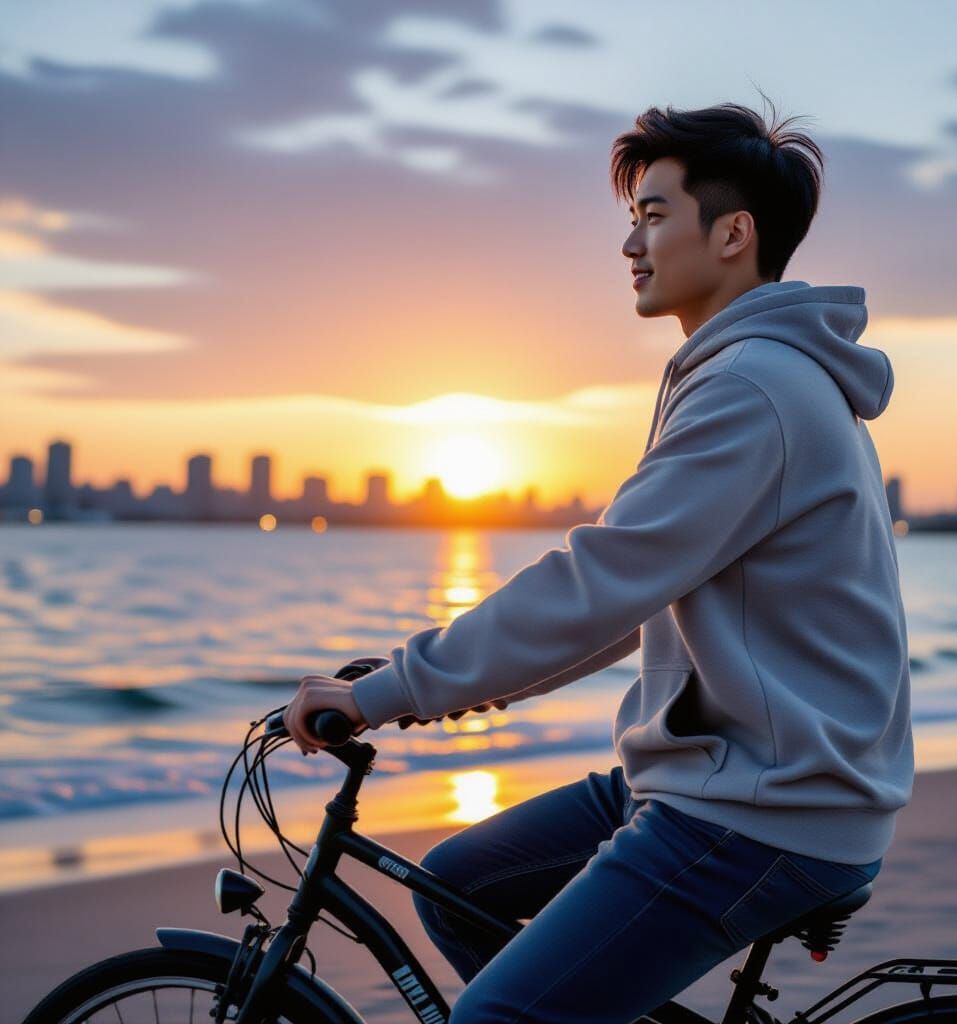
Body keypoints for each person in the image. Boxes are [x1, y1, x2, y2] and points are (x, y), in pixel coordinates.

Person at [283, 97, 914, 1023]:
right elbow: (624, 605)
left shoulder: (751, 390)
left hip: (764, 808)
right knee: (457, 886)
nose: (630, 245)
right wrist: (424, 687)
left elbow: (595, 581)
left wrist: (390, 694)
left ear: (734, 233)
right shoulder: (745, 375)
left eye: (655, 216)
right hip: (722, 771)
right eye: (632, 219)